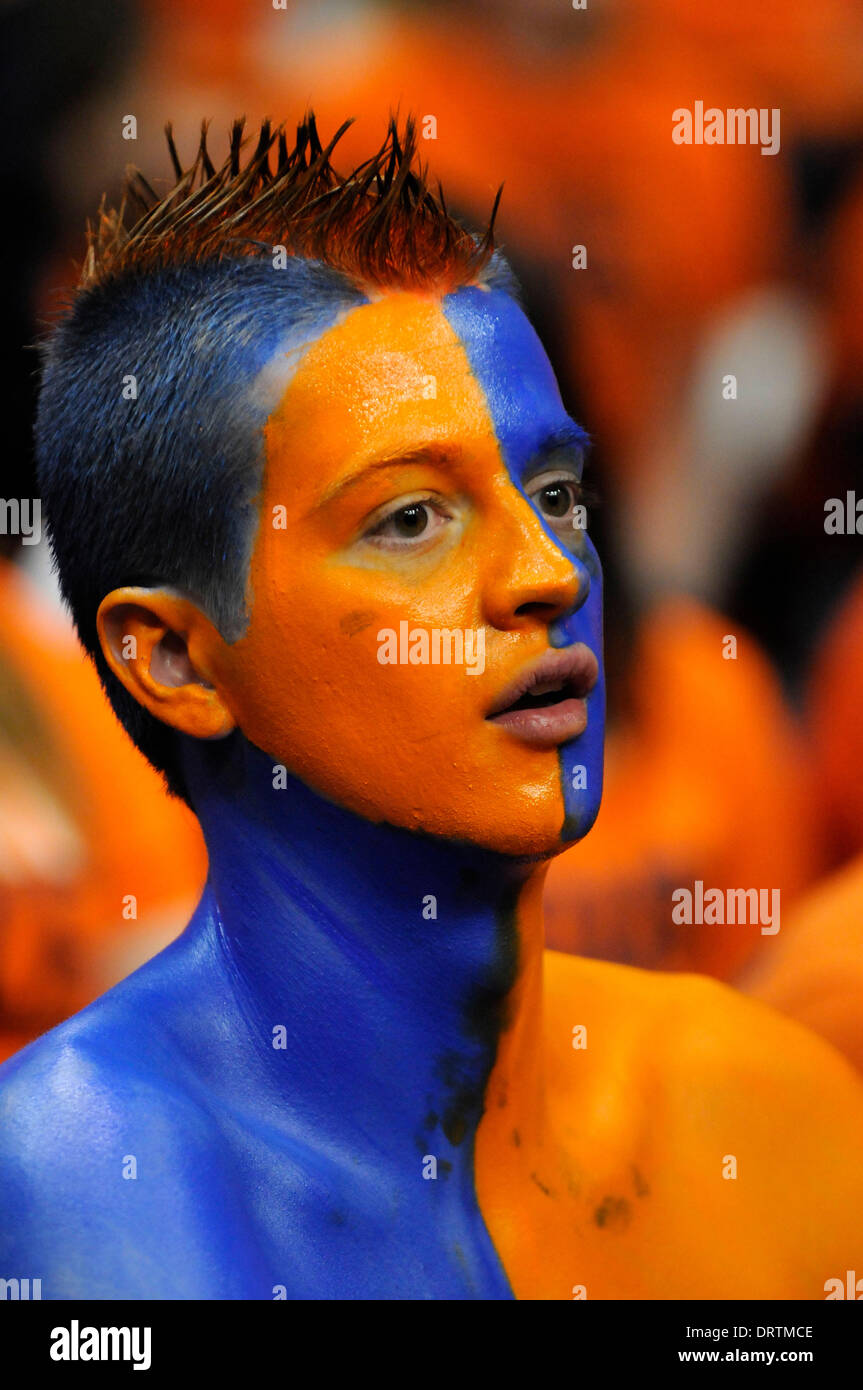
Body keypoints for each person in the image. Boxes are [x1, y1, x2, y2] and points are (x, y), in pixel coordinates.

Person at [1, 115, 861, 1300]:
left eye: (555, 491)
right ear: (177, 662)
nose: (549, 571)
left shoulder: (773, 1107)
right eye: (410, 518)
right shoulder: (81, 1180)